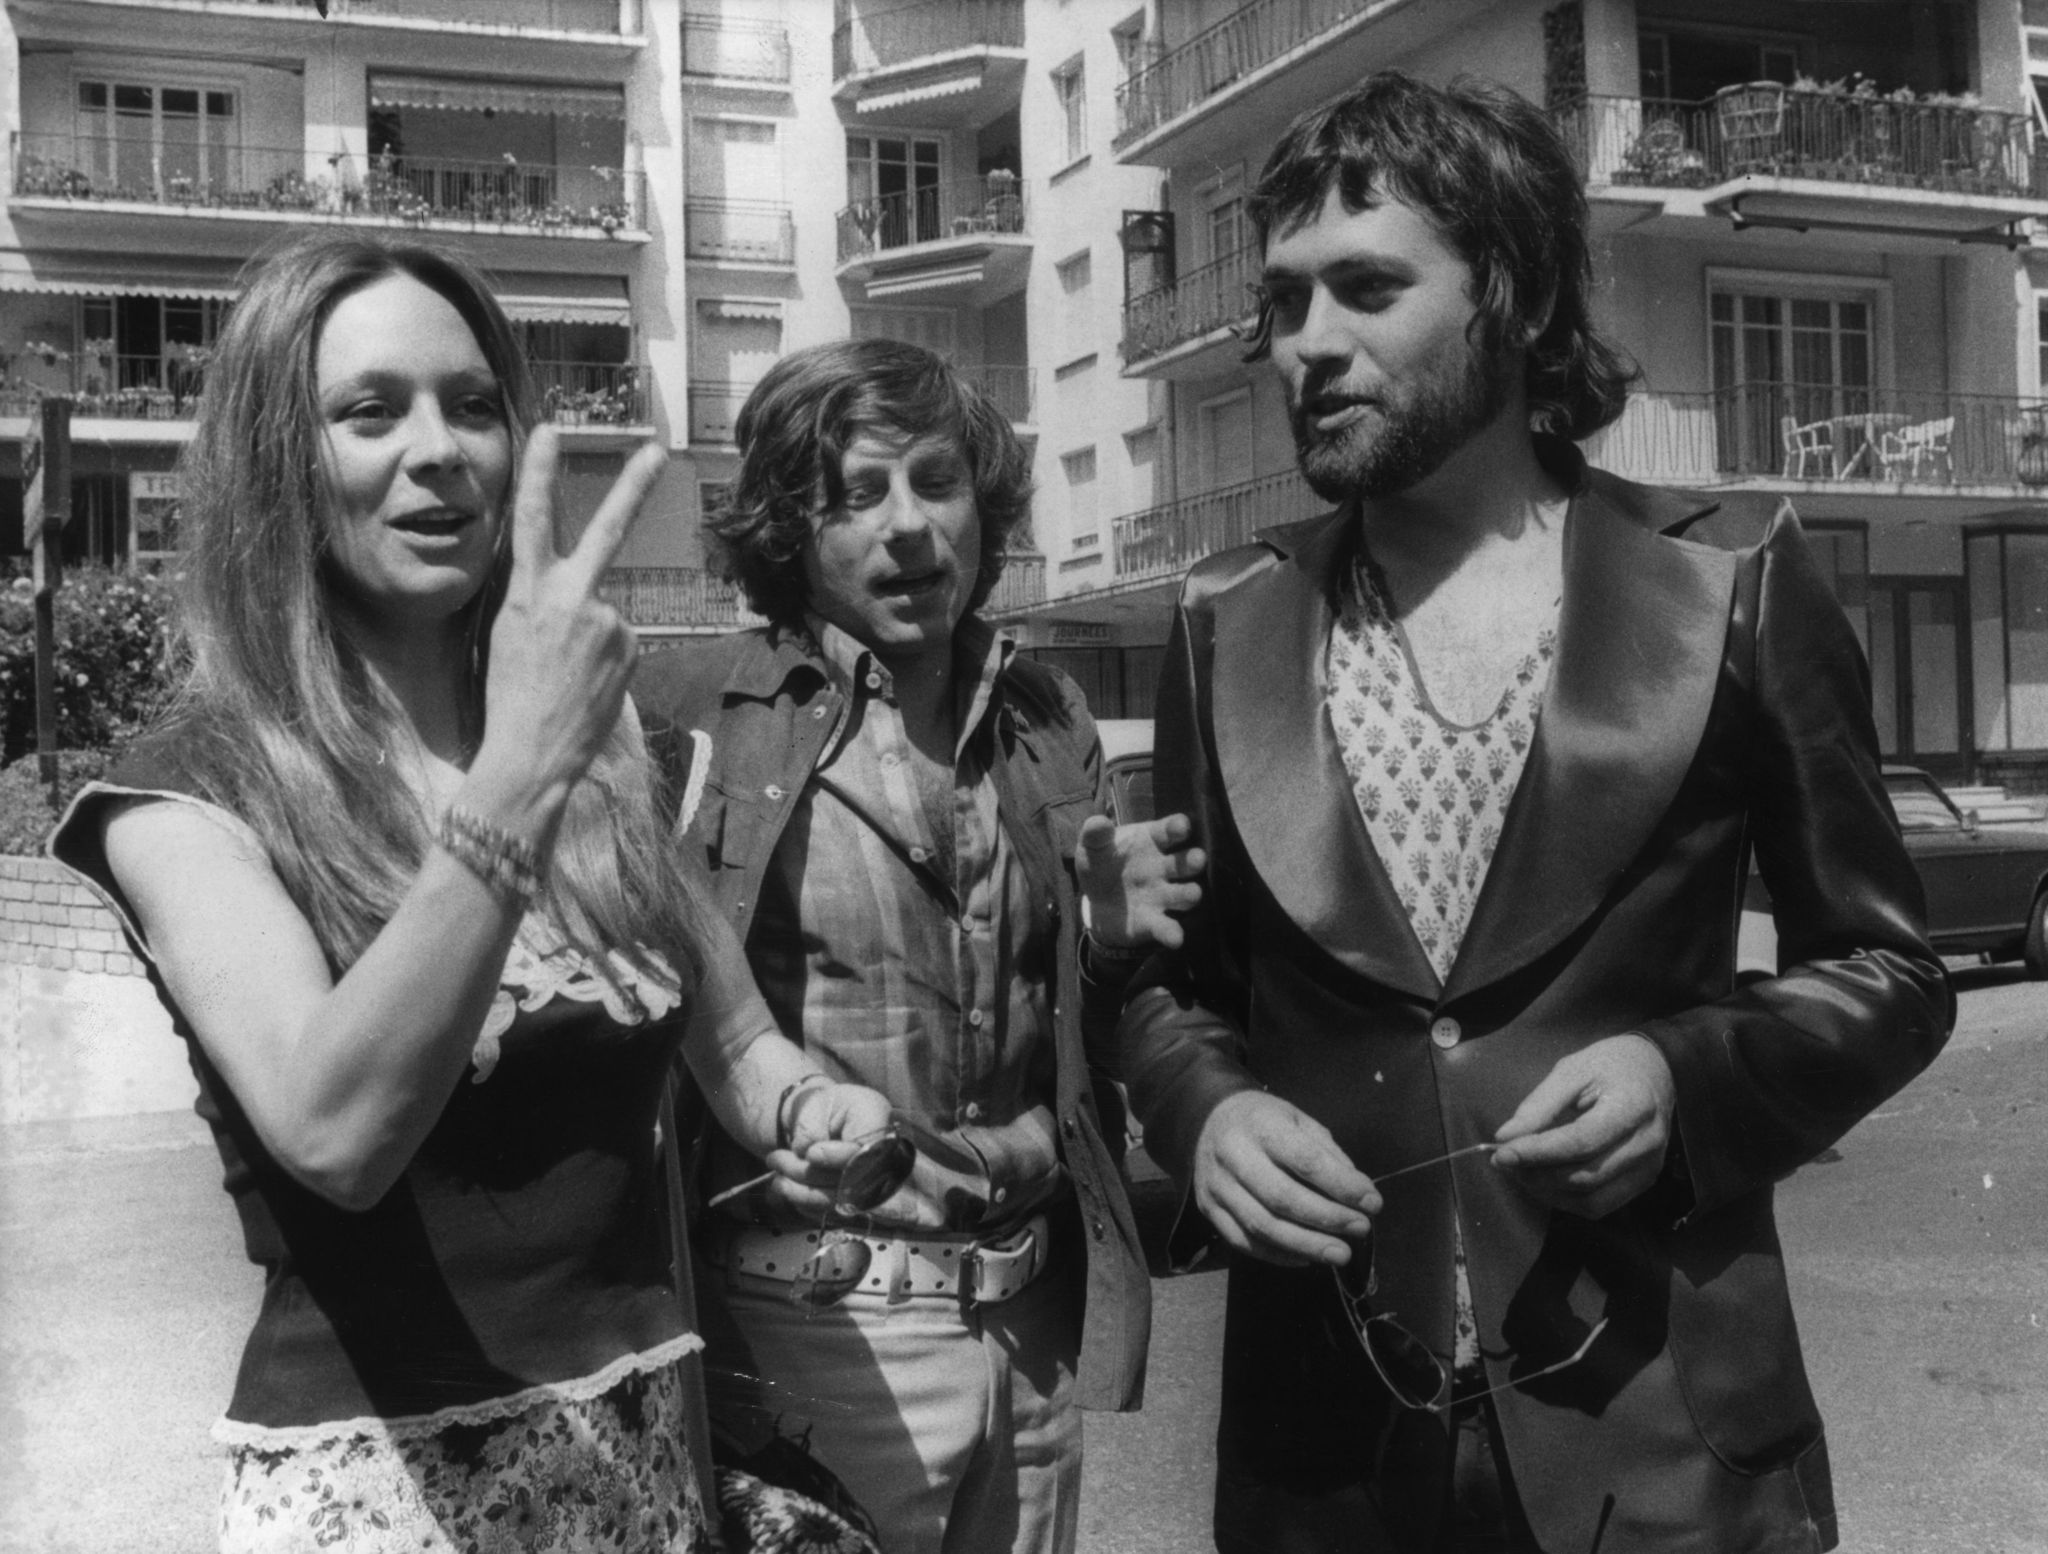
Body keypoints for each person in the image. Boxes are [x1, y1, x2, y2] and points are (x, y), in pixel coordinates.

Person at [1106, 72, 1954, 1554]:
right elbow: (1173, 986)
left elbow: (1889, 971)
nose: (1309, 344)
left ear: (1511, 288)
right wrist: (1204, 1106)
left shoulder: (1731, 582)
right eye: (1288, 300)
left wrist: (1688, 1079)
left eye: (1367, 287)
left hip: (1667, 1443)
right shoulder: (1222, 622)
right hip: (1330, 1459)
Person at [49, 230, 897, 1554]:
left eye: (475, 405)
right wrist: (518, 777)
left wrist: (808, 1104)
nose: (438, 448)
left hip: (643, 1467)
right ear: (282, 462)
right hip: (385, 1494)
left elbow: (733, 1038)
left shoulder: (611, 756)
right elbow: (336, 1133)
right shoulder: (189, 796)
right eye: (371, 410)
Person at [635, 338, 1198, 1554]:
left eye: (935, 483)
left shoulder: (1045, 716)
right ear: (788, 527)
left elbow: (1097, 1031)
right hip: (810, 1333)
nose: (907, 529)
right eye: (854, 494)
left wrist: (1104, 947)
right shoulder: (689, 717)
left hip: (1031, 1337)